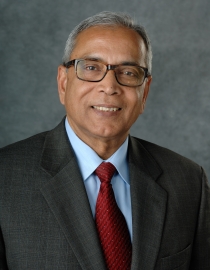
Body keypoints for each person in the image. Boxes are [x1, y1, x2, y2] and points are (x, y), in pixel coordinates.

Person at [0, 11, 209, 270]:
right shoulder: (4, 178)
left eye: (129, 72)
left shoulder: (188, 181)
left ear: (144, 92)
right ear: (63, 83)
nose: (109, 86)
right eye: (91, 67)